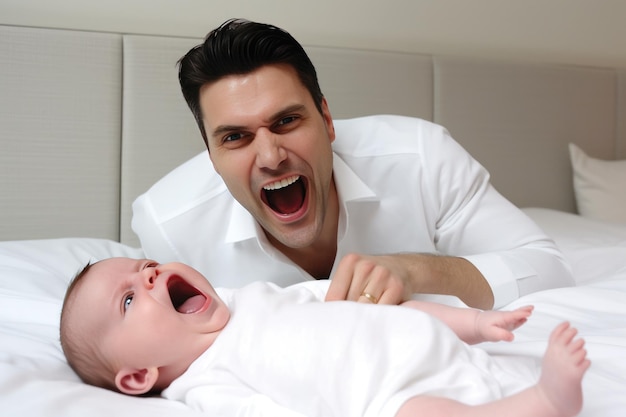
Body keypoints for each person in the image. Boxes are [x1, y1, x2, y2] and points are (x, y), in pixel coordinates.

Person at [131, 18, 574, 310]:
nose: (270, 157)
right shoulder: (168, 224)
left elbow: (546, 267)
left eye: (286, 121)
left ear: (326, 118)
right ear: (211, 154)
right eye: (236, 137)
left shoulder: (422, 157)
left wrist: (415, 270)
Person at [60, 258, 589, 417]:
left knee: (405, 313)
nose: (149, 276)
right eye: (128, 300)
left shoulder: (253, 295)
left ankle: (476, 333)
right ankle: (542, 402)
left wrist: (473, 323)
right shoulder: (205, 382)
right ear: (137, 377)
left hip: (420, 340)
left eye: (145, 264)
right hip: (386, 397)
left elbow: (369, 305)